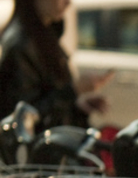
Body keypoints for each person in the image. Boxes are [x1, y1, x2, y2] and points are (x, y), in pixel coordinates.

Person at [0, 0, 113, 129]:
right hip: (36, 146)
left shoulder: (45, 35)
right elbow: (24, 116)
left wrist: (77, 106)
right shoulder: (21, 45)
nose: (68, 3)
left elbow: (48, 97)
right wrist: (73, 91)